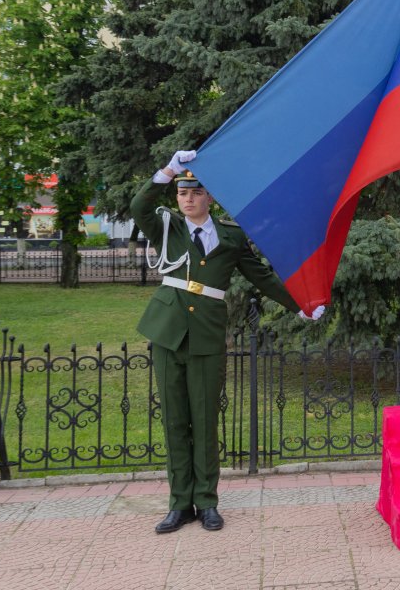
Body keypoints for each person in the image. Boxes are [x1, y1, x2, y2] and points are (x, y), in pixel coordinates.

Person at [132, 149, 324, 533]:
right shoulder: (166, 226)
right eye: (182, 193)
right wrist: (169, 169)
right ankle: (178, 504)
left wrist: (299, 305)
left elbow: (262, 277)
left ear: (210, 197)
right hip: (168, 333)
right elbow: (139, 205)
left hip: (206, 333)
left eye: (195, 193)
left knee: (204, 421)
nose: (188, 199)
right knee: (174, 421)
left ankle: (206, 502)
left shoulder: (231, 237)